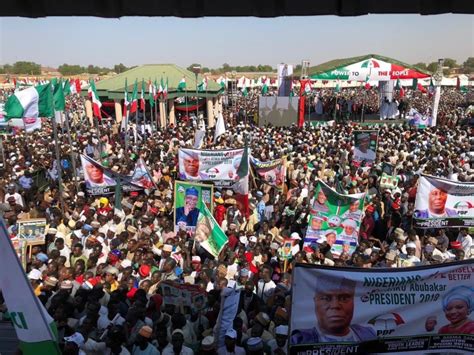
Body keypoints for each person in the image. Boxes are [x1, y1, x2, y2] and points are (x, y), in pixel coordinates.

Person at [291, 276, 376, 344]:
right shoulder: (300, 340)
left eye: (344, 298)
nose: (335, 305)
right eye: (325, 298)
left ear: (353, 301)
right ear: (315, 302)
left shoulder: (369, 334)